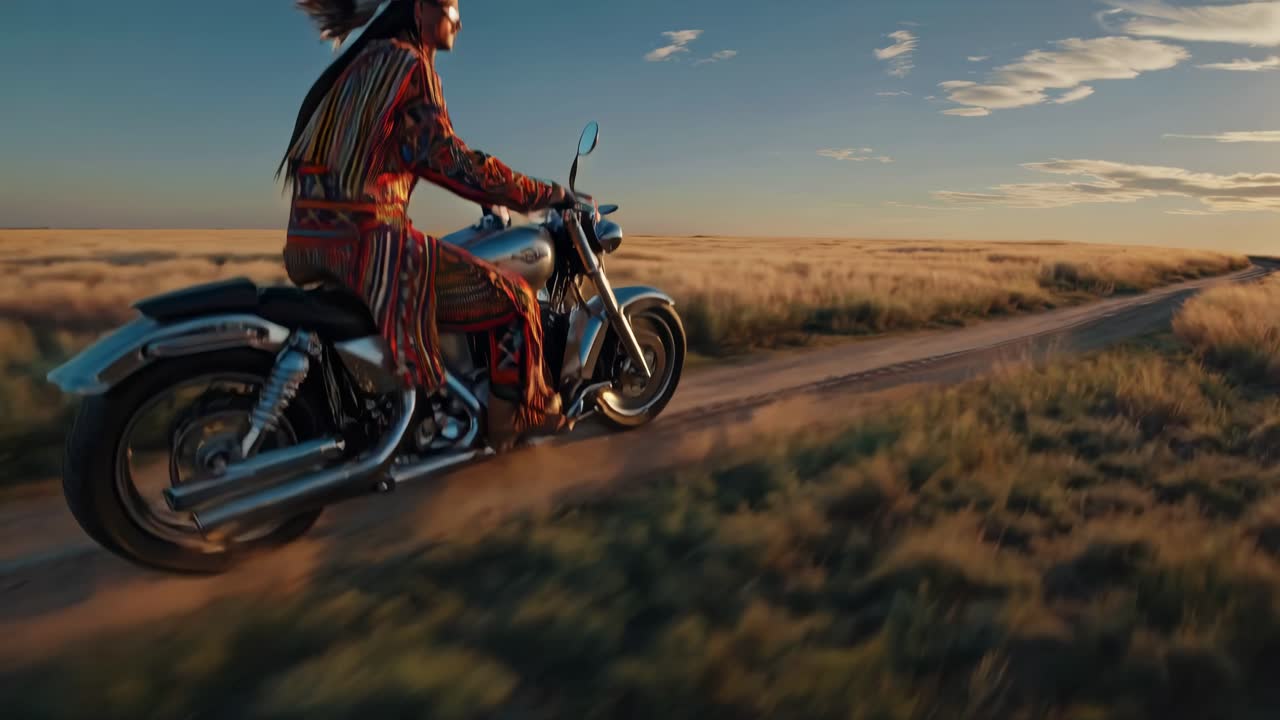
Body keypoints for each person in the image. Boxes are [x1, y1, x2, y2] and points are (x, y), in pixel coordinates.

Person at [279, 0, 571, 451]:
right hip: (369, 246)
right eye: (452, 8)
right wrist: (543, 193)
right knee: (516, 301)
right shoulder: (410, 65)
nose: (459, 20)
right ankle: (509, 427)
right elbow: (450, 161)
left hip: (308, 243)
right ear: (421, 10)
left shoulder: (359, 65)